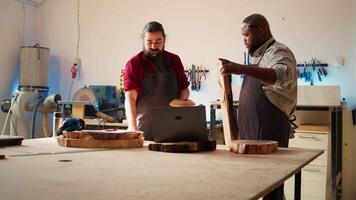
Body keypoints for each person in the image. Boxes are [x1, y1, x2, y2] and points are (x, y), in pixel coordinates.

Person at [219, 14, 297, 200]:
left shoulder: (279, 52)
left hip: (270, 133)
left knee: (271, 189)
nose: (244, 40)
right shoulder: (257, 58)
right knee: (253, 187)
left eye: (246, 35)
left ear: (261, 31)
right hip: (250, 133)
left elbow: (280, 75)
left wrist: (242, 69)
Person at [124, 21, 190, 141]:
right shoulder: (134, 64)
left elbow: (184, 88)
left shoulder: (174, 60)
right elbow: (130, 98)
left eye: (158, 41)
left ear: (164, 40)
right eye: (149, 42)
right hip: (145, 127)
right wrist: (132, 127)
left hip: (173, 124)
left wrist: (181, 102)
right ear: (143, 40)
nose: (154, 46)